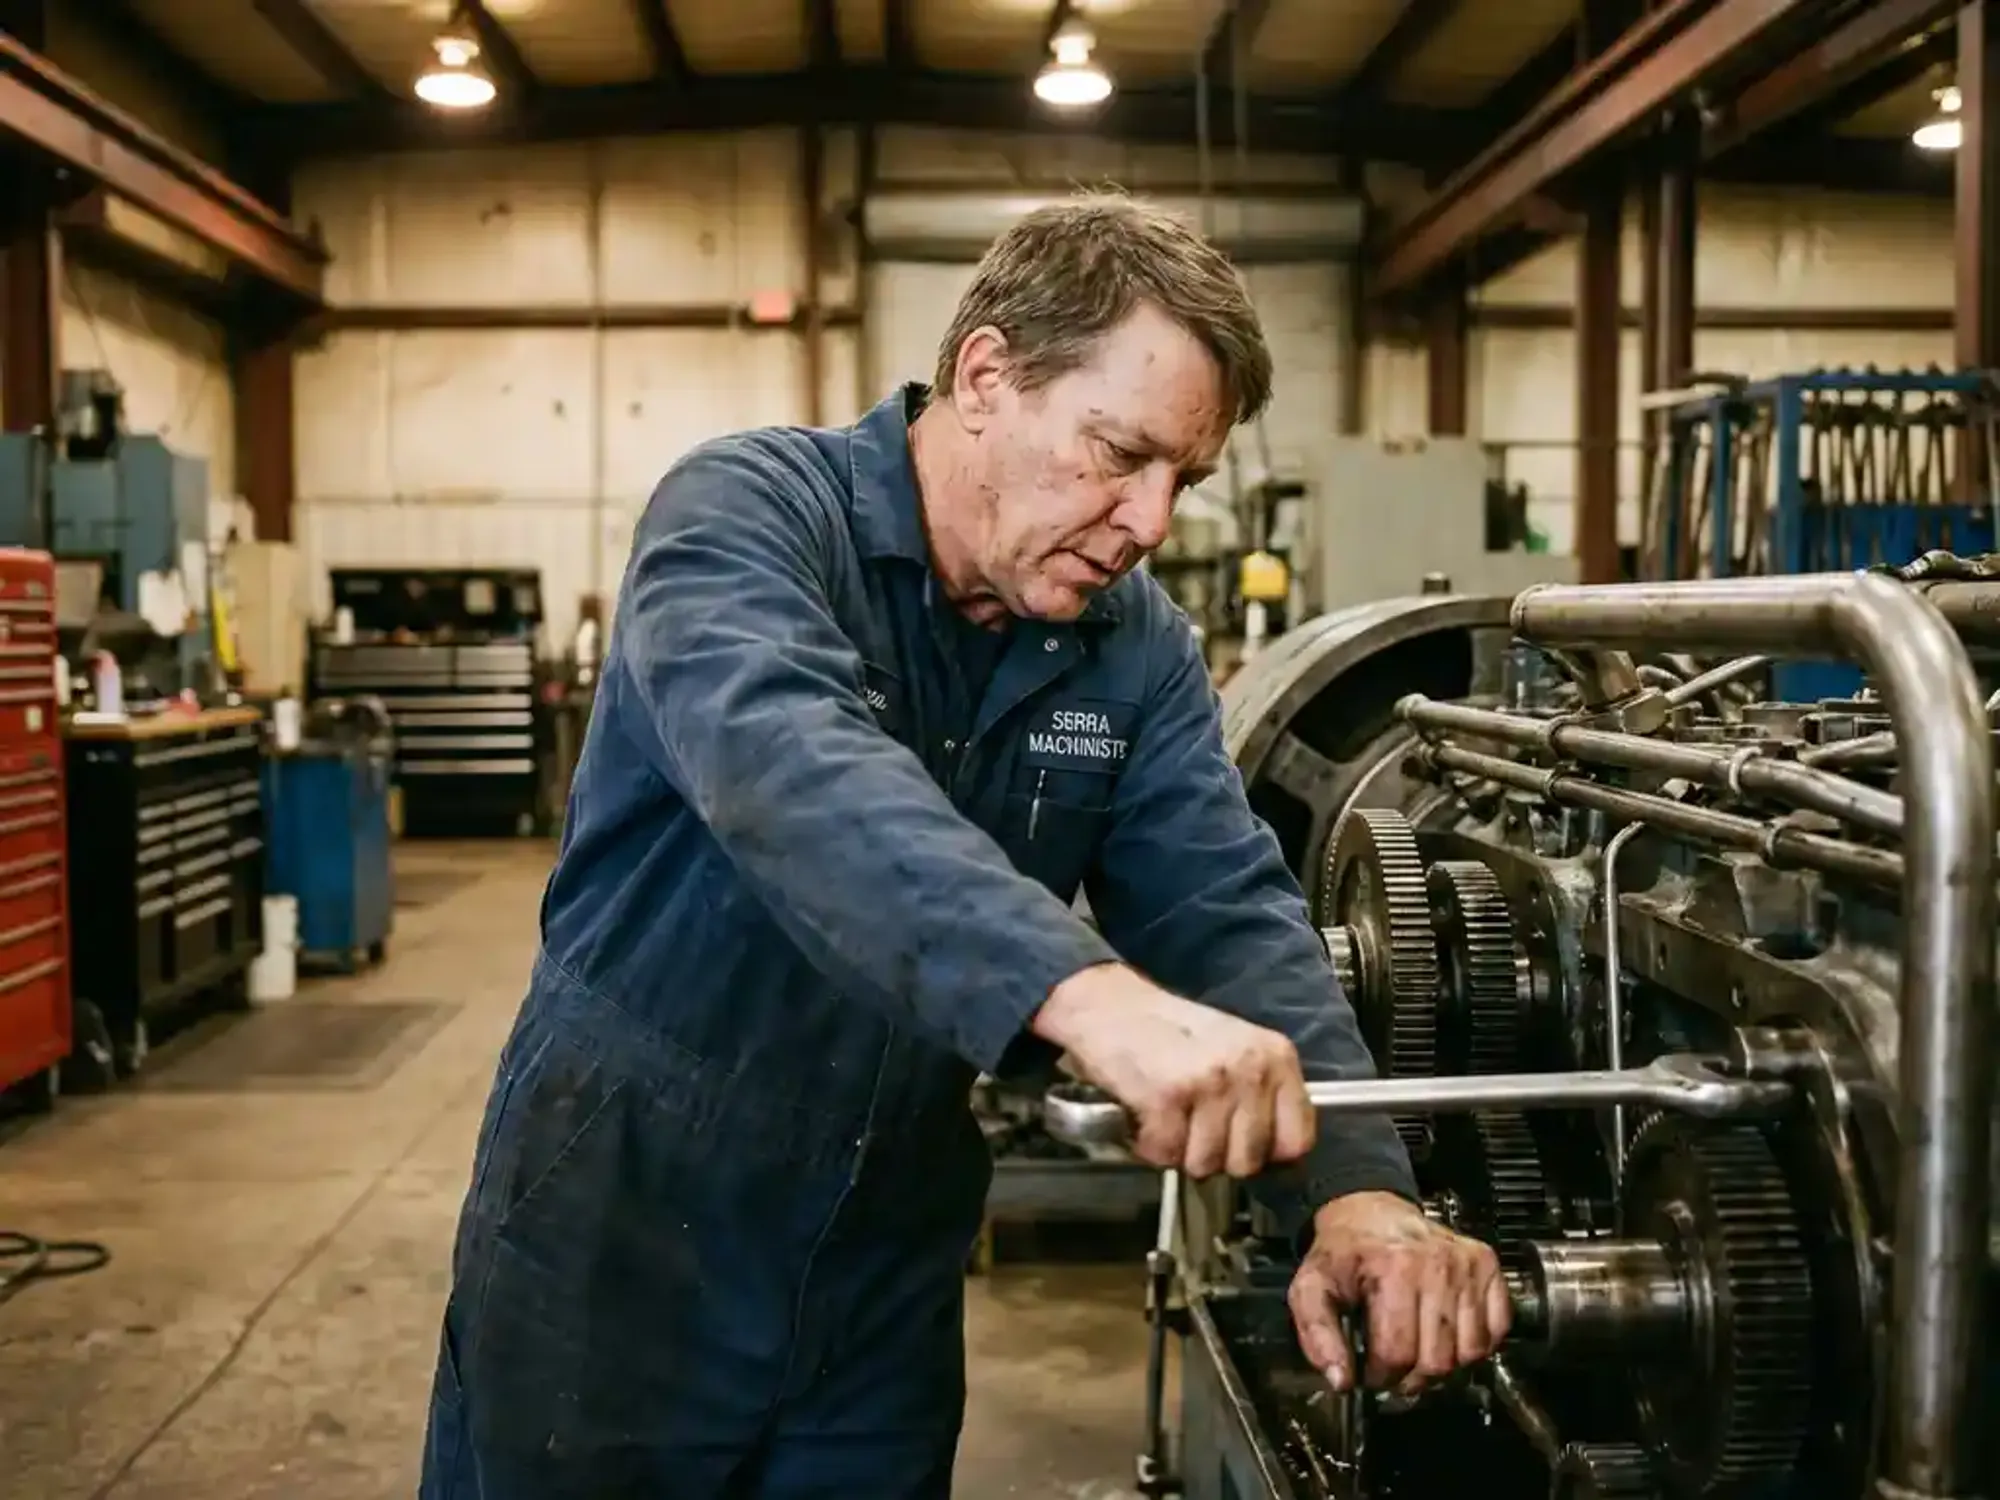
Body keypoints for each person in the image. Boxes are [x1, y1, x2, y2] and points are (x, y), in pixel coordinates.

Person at [418, 193, 1509, 1500]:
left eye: (1184, 480)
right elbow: (791, 768)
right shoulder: (750, 516)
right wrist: (1085, 994)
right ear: (986, 375)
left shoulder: (1135, 645)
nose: (1152, 521)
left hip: (887, 1255)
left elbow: (1223, 907)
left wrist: (1353, 1187)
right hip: (625, 1220)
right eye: (1120, 453)